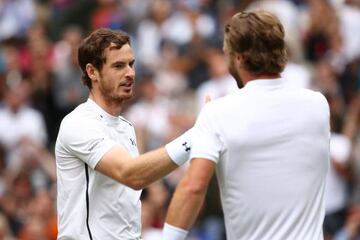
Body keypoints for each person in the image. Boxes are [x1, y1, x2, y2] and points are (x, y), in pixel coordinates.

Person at [163, 10, 330, 240]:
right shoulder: (318, 105)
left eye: (227, 53)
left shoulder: (217, 113)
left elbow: (193, 188)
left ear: (239, 57)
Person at [55, 28, 193, 239]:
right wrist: (194, 138)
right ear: (92, 72)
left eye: (131, 64)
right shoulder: (78, 123)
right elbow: (131, 174)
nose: (130, 73)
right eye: (118, 66)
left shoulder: (127, 126)